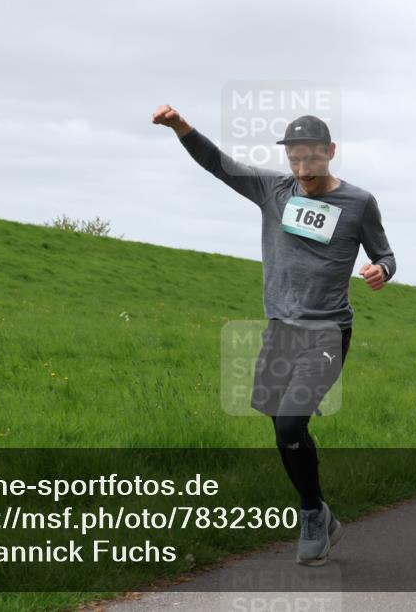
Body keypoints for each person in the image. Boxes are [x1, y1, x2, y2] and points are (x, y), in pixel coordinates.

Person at [152, 104, 396, 566]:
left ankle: (309, 515)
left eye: (313, 159)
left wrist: (381, 269)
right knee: (282, 431)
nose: (303, 169)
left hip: (327, 330)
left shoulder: (359, 203)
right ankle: (321, 513)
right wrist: (181, 127)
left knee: (290, 423)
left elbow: (386, 253)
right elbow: (220, 164)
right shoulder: (273, 190)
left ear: (331, 153)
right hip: (280, 329)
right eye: (295, 159)